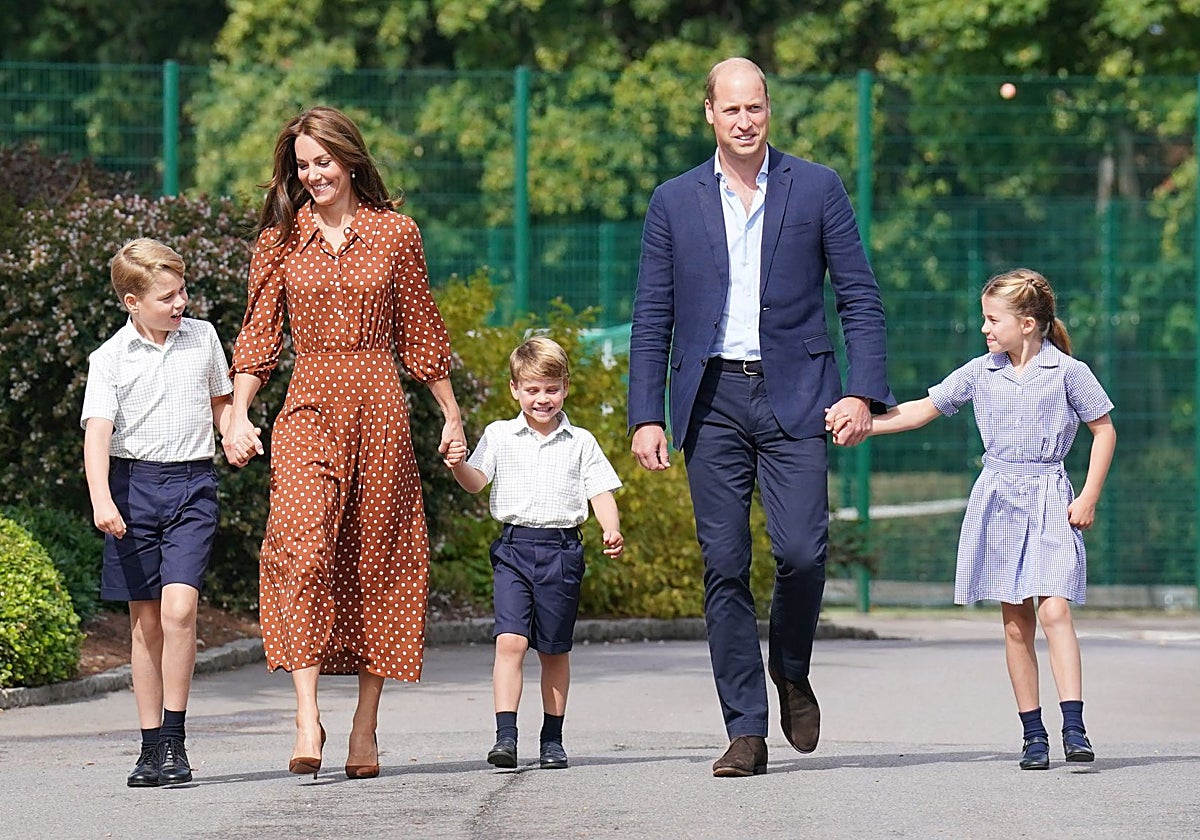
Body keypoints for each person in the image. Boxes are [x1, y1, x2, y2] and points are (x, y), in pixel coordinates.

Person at [627, 57, 893, 777]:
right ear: (708, 113)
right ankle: (745, 729)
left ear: (768, 110)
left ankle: (792, 669)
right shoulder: (674, 201)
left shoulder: (817, 187)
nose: (745, 122)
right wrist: (645, 414)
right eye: (732, 110)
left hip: (800, 394)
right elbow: (652, 314)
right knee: (724, 566)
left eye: (757, 108)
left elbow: (860, 298)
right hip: (710, 400)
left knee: (803, 553)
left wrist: (862, 393)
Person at [222, 105, 467, 780]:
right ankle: (307, 716)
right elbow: (259, 335)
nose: (313, 175)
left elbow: (420, 331)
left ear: (350, 160)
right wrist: (239, 414)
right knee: (299, 546)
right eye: (302, 166)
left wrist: (450, 416)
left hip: (380, 407)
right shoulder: (281, 239)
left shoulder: (396, 234)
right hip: (307, 406)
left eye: (323, 162)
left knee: (372, 559)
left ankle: (365, 727)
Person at [829, 268, 1116, 770]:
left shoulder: (1069, 372)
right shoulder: (980, 372)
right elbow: (921, 410)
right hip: (999, 500)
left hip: (1050, 497)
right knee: (1015, 622)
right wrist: (865, 425)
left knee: (1054, 611)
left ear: (1027, 323)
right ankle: (1033, 735)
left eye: (992, 319)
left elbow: (1104, 430)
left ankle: (1074, 724)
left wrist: (1088, 494)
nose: (984, 329)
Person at [82, 238, 234, 787]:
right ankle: (150, 748)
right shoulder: (110, 359)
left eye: (182, 291)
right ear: (132, 301)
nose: (181, 304)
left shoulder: (203, 338)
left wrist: (234, 430)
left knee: (178, 613)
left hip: (192, 484)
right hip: (131, 489)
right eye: (168, 296)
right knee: (145, 624)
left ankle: (175, 739)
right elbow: (98, 433)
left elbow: (221, 402)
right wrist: (102, 497)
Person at [445, 336, 623, 770]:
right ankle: (506, 736)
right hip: (514, 549)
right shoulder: (499, 435)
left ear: (565, 387)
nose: (542, 399)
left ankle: (552, 739)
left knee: (553, 650)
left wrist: (611, 528)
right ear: (514, 389)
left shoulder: (580, 441)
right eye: (532, 389)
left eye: (551, 389)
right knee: (510, 641)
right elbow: (476, 481)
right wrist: (456, 464)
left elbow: (600, 489)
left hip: (562, 551)